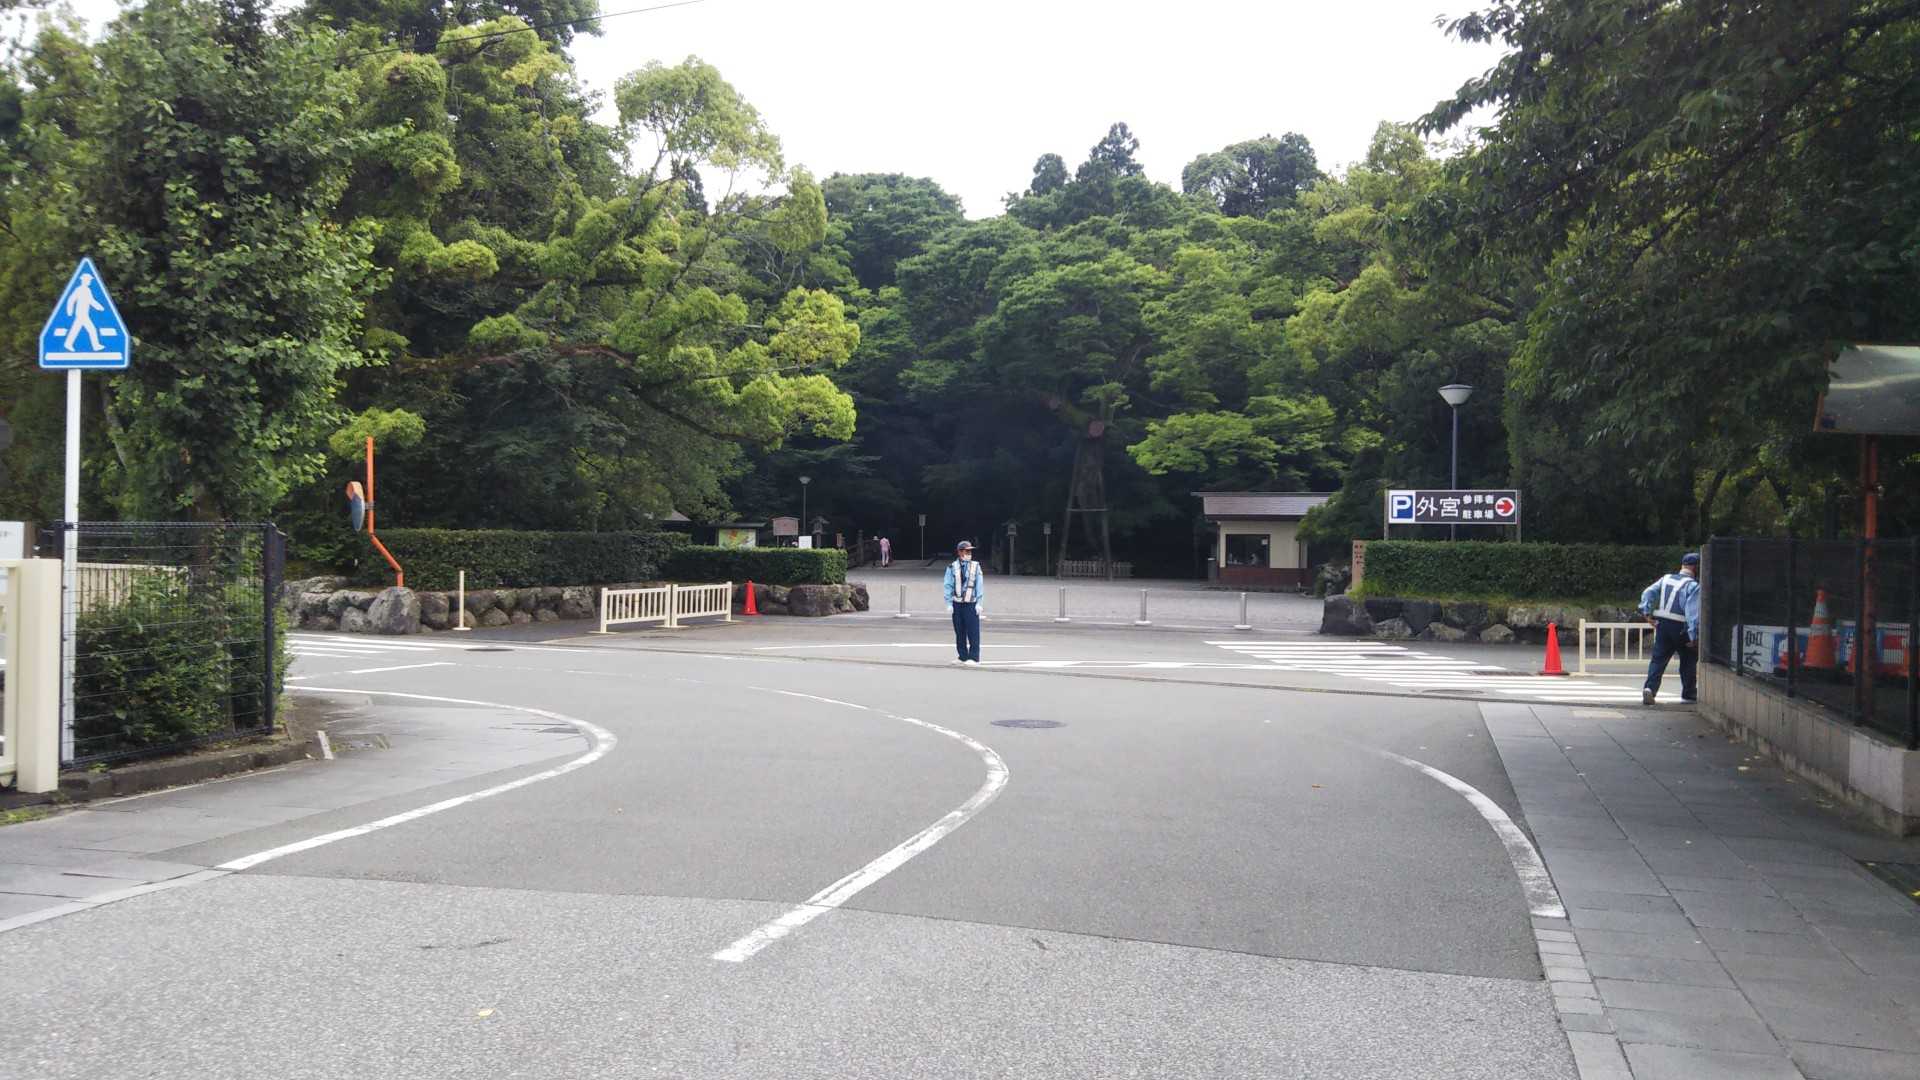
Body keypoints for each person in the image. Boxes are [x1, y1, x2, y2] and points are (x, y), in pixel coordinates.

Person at [1640, 552, 1701, 705]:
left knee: (1658, 659)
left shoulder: (1666, 578)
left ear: (1683, 565)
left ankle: (1650, 689)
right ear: (1695, 567)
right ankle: (1688, 694)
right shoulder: (1693, 586)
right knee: (1688, 660)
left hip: (1663, 624)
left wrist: (1646, 612)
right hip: (1681, 627)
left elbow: (1648, 592)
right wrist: (1694, 636)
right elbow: (1692, 612)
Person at [943, 540, 985, 665]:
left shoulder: (975, 566)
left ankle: (974, 657)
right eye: (966, 551)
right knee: (959, 631)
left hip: (971, 603)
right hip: (957, 603)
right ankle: (962, 656)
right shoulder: (952, 567)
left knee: (973, 631)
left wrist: (979, 602)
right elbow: (948, 585)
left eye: (970, 551)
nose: (969, 553)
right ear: (959, 552)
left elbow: (979, 585)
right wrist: (949, 603)